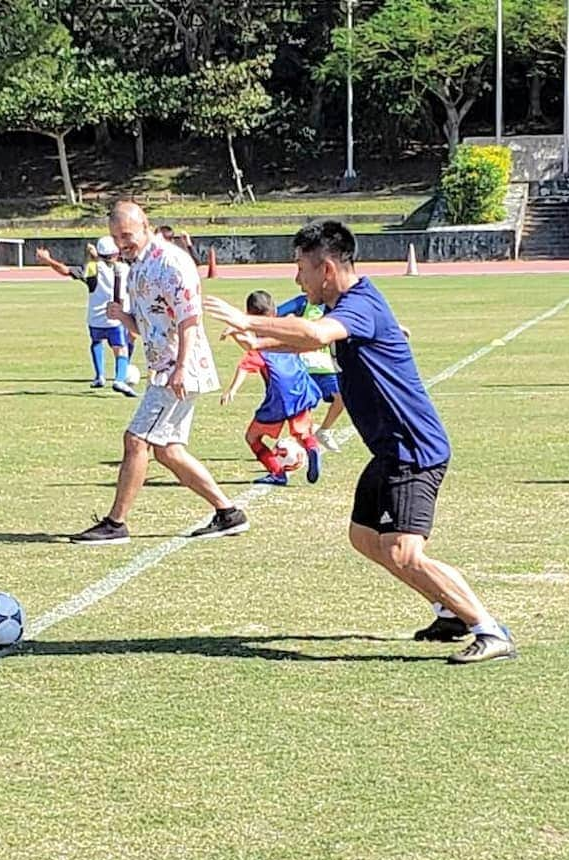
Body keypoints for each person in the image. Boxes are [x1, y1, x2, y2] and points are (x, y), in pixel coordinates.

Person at [204, 219, 516, 664]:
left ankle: (489, 629)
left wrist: (249, 319)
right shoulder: (347, 305)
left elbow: (314, 335)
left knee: (402, 551)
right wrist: (259, 337)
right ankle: (448, 609)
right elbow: (303, 340)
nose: (297, 278)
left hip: (413, 449)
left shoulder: (360, 304)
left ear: (327, 269)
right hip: (389, 450)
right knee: (366, 537)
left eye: (301, 268)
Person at [70, 201, 249, 544]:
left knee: (136, 439)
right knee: (168, 450)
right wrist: (123, 317)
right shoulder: (137, 267)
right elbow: (148, 327)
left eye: (127, 235)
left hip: (178, 370)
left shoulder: (170, 261)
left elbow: (190, 319)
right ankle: (228, 513)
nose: (122, 244)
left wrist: (180, 368)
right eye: (116, 238)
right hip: (163, 367)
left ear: (145, 226)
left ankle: (116, 522)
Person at [220, 290, 322, 486]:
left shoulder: (261, 342)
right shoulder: (285, 329)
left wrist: (232, 390)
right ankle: (312, 449)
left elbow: (248, 358)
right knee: (303, 433)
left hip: (279, 397)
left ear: (249, 314)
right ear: (274, 311)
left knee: (252, 437)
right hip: (300, 388)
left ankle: (277, 473)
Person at [35, 238, 137, 397]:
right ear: (116, 253)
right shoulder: (125, 269)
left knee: (96, 343)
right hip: (115, 318)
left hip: (95, 318)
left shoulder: (91, 267)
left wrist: (48, 260)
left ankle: (99, 376)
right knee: (120, 349)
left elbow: (66, 270)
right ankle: (119, 380)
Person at [276, 287, 345, 453]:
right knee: (303, 407)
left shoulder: (336, 306)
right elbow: (275, 314)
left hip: (326, 365)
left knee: (341, 399)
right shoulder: (302, 303)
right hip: (304, 365)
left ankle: (324, 430)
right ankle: (301, 439)